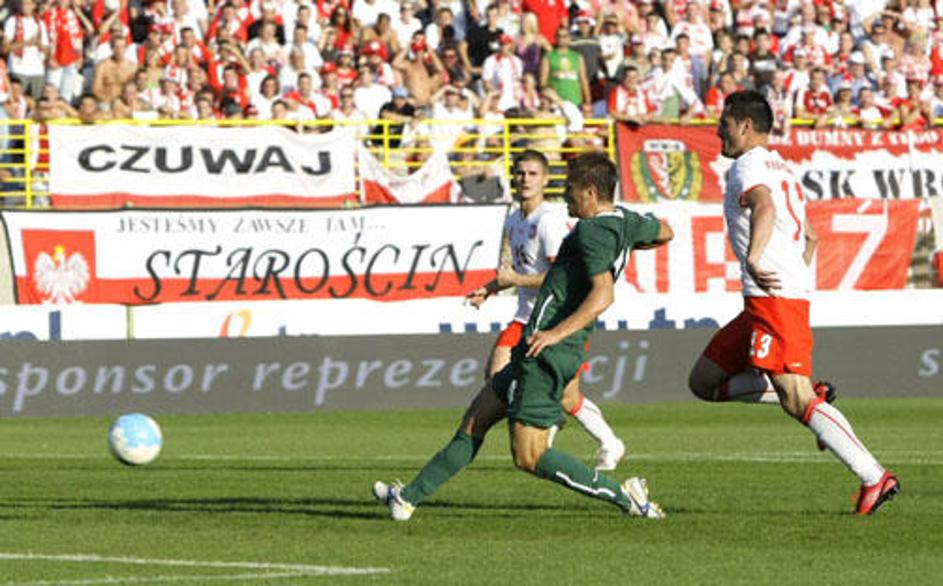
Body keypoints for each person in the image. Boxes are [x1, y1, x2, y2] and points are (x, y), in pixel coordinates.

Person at [373, 151, 674, 521]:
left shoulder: (593, 231)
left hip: (548, 351)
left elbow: (603, 294)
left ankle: (626, 495)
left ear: (591, 193)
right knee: (475, 420)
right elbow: (665, 231)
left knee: (529, 457)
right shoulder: (624, 220)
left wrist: (554, 333)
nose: (565, 196)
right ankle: (406, 499)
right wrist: (625, 244)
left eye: (571, 189)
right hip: (533, 347)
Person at [687, 90, 899, 516]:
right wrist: (792, 274)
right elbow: (812, 237)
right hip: (767, 298)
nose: (717, 132)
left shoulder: (748, 166)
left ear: (744, 125)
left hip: (774, 298)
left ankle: (873, 476)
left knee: (795, 399)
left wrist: (754, 258)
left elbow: (763, 206)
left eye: (724, 124)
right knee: (704, 382)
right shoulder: (783, 166)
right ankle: (814, 395)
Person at [464, 150, 628, 471]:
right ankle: (597, 439)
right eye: (520, 173)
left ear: (545, 180)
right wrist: (490, 288)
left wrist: (514, 279)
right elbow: (517, 273)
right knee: (506, 380)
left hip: (554, 320)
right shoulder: (514, 218)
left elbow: (560, 278)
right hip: (525, 317)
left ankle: (555, 433)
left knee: (545, 391)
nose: (525, 179)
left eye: (533, 174)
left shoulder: (549, 221)